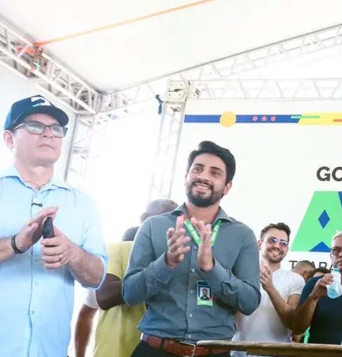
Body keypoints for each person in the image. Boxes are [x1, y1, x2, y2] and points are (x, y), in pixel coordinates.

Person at [123, 141, 262, 357]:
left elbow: (250, 302)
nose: (204, 176)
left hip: (214, 352)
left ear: (227, 187)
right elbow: (130, 294)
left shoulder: (242, 235)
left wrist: (212, 268)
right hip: (155, 350)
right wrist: (166, 263)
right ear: (186, 177)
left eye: (215, 173)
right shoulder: (153, 226)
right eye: (197, 169)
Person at [0, 95, 107, 356]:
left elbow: (96, 278)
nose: (48, 134)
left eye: (56, 129)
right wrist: (16, 244)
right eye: (35, 125)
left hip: (51, 350)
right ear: (9, 138)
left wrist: (73, 254)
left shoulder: (82, 203)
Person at [74, 199, 178, 357]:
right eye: (165, 219)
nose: (171, 228)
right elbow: (103, 298)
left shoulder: (180, 261)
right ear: (145, 219)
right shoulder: (117, 250)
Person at [232, 223, 305, 355]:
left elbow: (292, 323)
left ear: (287, 249)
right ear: (260, 244)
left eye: (283, 243)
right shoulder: (239, 274)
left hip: (277, 353)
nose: (277, 246)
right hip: (239, 352)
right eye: (271, 240)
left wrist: (270, 288)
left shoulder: (295, 280)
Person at [293, 231, 342, 344]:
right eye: (336, 250)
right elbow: (298, 329)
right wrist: (313, 297)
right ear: (330, 256)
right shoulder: (315, 283)